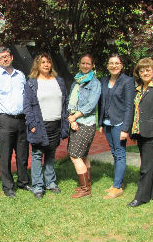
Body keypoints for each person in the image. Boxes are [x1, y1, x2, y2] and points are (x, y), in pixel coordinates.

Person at [0, 46, 30, 198]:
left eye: (7, 56)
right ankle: (8, 186)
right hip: (4, 120)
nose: (5, 59)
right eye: (1, 57)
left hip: (21, 119)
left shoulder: (21, 76)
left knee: (22, 154)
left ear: (12, 57)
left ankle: (23, 182)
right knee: (5, 155)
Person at [23, 53, 69, 198]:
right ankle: (38, 186)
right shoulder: (31, 82)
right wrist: (31, 124)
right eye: (43, 62)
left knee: (50, 153)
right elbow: (27, 106)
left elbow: (65, 102)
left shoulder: (59, 81)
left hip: (56, 123)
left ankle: (50, 182)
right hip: (39, 125)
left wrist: (65, 121)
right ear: (37, 64)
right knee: (37, 154)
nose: (46, 64)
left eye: (48, 62)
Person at [127, 58, 153, 207]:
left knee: (145, 167)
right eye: (142, 70)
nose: (145, 73)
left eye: (148, 69)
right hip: (141, 133)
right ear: (138, 73)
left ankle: (141, 197)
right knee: (150, 164)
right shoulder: (138, 89)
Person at [98, 54, 135, 199]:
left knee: (119, 154)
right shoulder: (104, 80)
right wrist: (101, 122)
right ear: (107, 65)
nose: (114, 66)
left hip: (119, 123)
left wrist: (125, 129)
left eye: (117, 63)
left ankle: (117, 186)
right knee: (114, 152)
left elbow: (129, 107)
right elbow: (101, 103)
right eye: (111, 63)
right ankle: (118, 182)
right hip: (107, 123)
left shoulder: (127, 81)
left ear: (122, 65)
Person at [68, 54, 101, 198]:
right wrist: (72, 119)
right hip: (76, 121)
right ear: (79, 64)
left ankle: (85, 189)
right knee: (83, 155)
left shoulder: (95, 83)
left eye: (88, 64)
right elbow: (71, 101)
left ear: (92, 65)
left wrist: (75, 116)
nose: (85, 66)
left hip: (86, 122)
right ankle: (87, 182)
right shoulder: (77, 81)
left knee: (75, 156)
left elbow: (91, 105)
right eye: (83, 63)